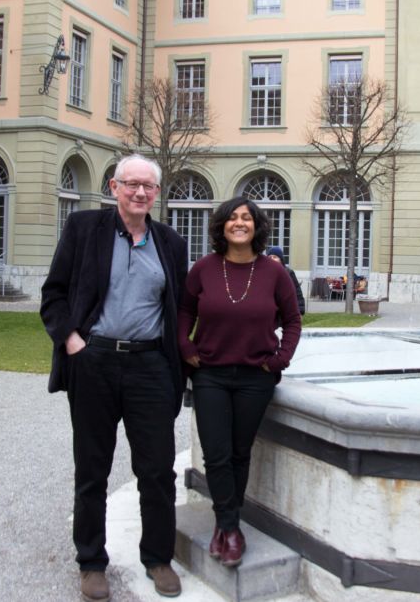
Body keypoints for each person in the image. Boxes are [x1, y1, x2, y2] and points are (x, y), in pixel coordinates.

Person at [40, 154, 189, 602]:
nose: (139, 192)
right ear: (114, 187)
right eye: (131, 184)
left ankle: (158, 558)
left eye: (148, 186)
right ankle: (91, 562)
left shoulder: (170, 241)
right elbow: (54, 294)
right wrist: (72, 342)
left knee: (157, 470)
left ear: (157, 194)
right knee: (92, 468)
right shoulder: (85, 229)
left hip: (150, 367)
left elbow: (180, 308)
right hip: (96, 361)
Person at [178, 197, 302, 569]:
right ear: (221, 227)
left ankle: (225, 526)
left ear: (257, 227)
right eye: (232, 218)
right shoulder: (203, 269)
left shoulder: (274, 272)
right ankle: (229, 528)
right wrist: (185, 345)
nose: (239, 223)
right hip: (211, 374)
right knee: (216, 455)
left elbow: (293, 320)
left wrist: (281, 358)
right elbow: (184, 311)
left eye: (246, 218)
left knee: (238, 452)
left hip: (255, 378)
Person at [265, 246, 305, 315]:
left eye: (275, 257)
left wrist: (300, 310)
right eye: (270, 257)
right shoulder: (264, 274)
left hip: (285, 311)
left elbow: (297, 292)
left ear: (280, 259)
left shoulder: (288, 273)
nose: (272, 259)